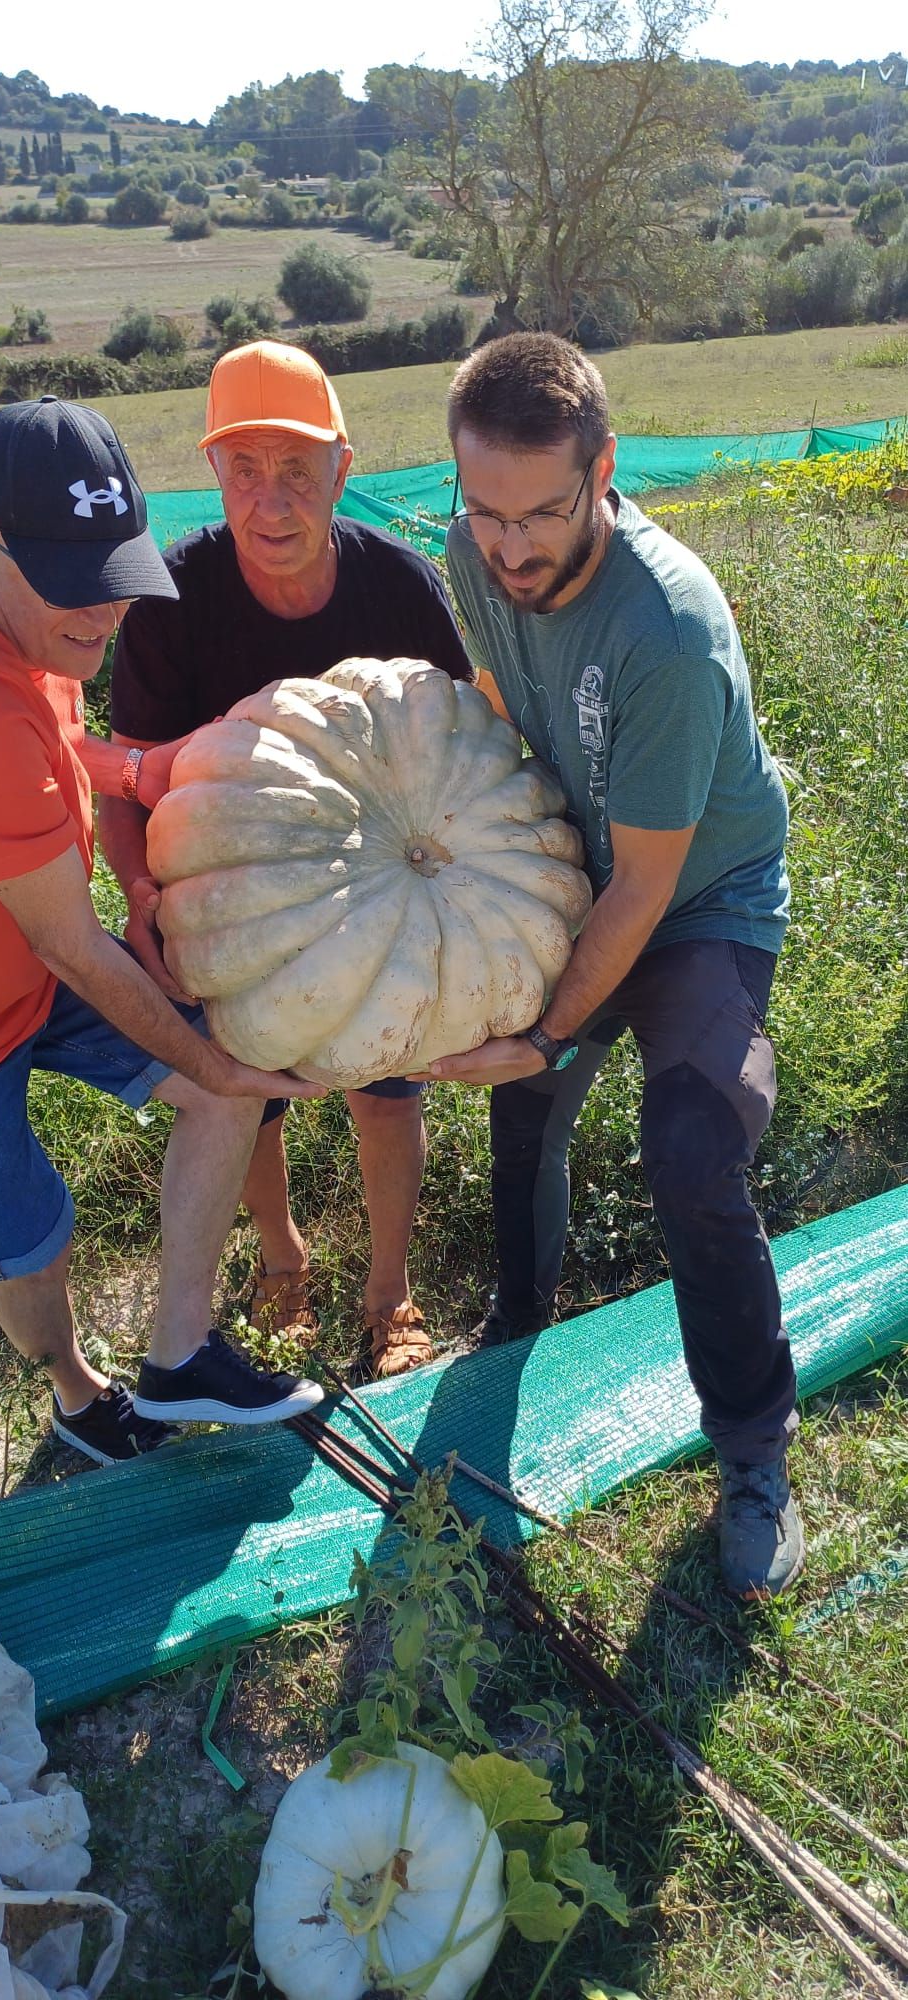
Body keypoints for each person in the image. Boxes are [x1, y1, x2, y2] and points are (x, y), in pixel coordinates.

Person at [428, 333, 801, 1599]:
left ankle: (754, 1447)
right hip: (577, 866)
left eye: (543, 511)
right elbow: (494, 708)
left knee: (695, 1150)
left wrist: (540, 1025)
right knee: (521, 1121)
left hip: (700, 895)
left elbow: (647, 885)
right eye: (487, 511)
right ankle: (515, 1323)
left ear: (604, 470)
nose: (512, 547)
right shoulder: (471, 555)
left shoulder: (667, 625)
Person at [100, 339, 472, 1379]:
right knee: (250, 1089)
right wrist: (138, 895)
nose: (272, 500)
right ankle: (280, 1259)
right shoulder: (172, 598)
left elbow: (463, 752)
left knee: (386, 1095)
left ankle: (388, 1289)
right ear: (214, 473)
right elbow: (121, 775)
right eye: (245, 470)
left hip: (393, 891)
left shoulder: (400, 589)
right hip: (230, 903)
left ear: (342, 469)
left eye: (297, 469)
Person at [0, 394, 327, 1469]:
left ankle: (178, 1356)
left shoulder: (31, 633)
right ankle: (78, 1398)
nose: (106, 615)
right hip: (14, 984)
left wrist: (142, 767)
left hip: (28, 968)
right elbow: (71, 944)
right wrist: (218, 1063)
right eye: (76, 587)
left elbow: (55, 754)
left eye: (115, 577)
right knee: (33, 1240)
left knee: (223, 1085)